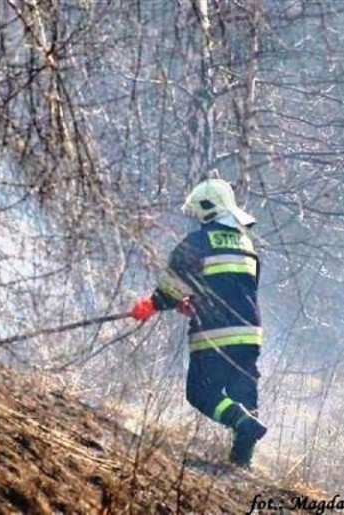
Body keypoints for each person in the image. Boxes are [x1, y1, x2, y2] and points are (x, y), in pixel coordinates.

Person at [130, 178, 267, 468]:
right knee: (242, 391)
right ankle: (242, 461)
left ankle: (242, 424)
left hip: (215, 333)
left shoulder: (197, 242)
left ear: (207, 208)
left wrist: (151, 305)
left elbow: (171, 286)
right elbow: (238, 287)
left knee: (201, 392)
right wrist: (195, 302)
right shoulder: (248, 244)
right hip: (250, 332)